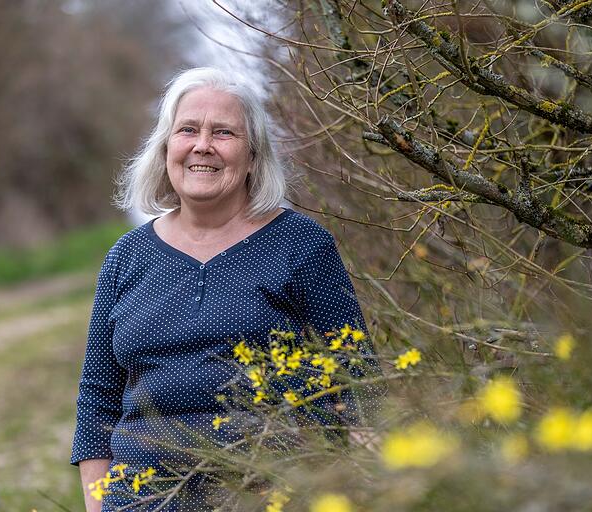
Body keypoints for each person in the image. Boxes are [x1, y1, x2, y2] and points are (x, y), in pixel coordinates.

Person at [71, 67, 384, 511]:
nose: (203, 145)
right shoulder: (126, 257)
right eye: (187, 130)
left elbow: (360, 378)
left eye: (224, 132)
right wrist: (99, 506)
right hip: (145, 498)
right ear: (165, 149)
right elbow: (98, 398)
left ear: (253, 155)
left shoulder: (301, 245)